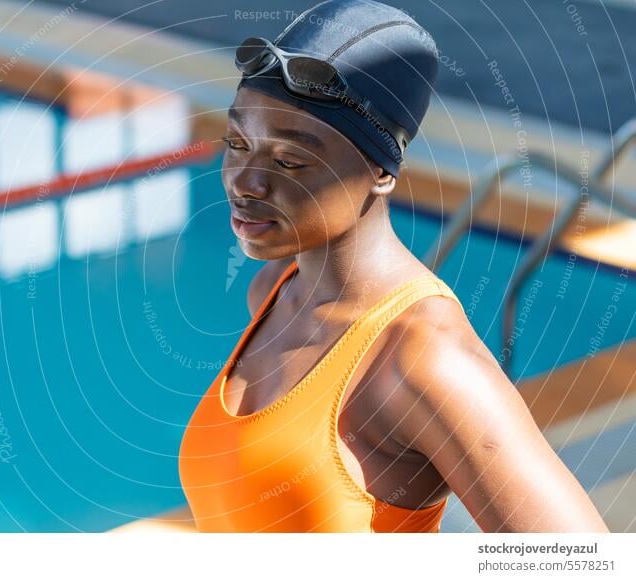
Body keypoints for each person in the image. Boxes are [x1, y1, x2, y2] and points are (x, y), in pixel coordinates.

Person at [178, 0, 609, 533]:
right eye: (238, 143)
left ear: (380, 171)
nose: (247, 182)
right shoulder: (275, 292)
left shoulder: (423, 359)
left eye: (289, 161)